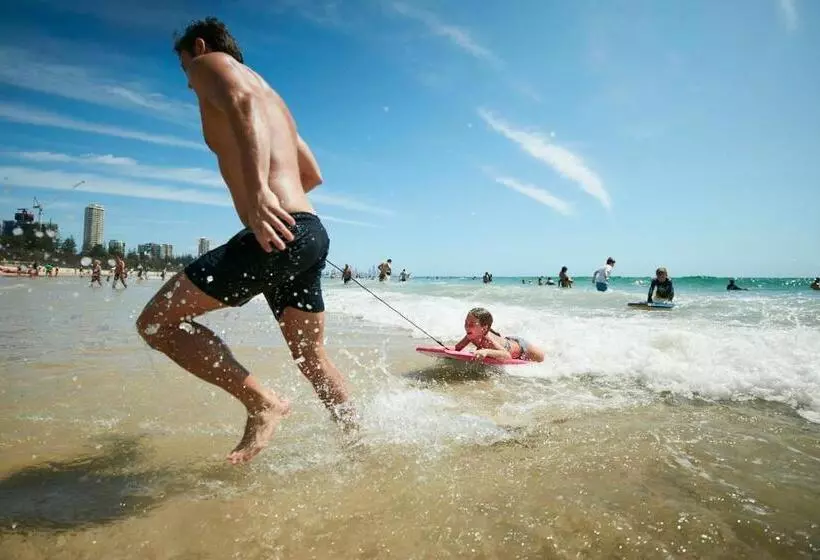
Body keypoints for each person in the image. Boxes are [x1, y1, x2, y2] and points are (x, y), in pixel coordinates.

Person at [136, 18, 356, 465]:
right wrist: (281, 203)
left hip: (277, 231)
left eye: (183, 69)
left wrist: (258, 195)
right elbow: (311, 174)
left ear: (198, 47)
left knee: (157, 323)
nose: (188, 82)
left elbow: (240, 102)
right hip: (308, 231)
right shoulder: (276, 99)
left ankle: (262, 403)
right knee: (311, 356)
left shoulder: (209, 63)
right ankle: (358, 441)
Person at [452, 307, 545, 362]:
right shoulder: (471, 335)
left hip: (522, 348)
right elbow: (458, 348)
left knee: (542, 359)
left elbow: (507, 355)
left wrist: (486, 351)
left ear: (483, 328)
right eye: (466, 323)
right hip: (507, 341)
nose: (467, 327)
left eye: (472, 324)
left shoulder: (488, 340)